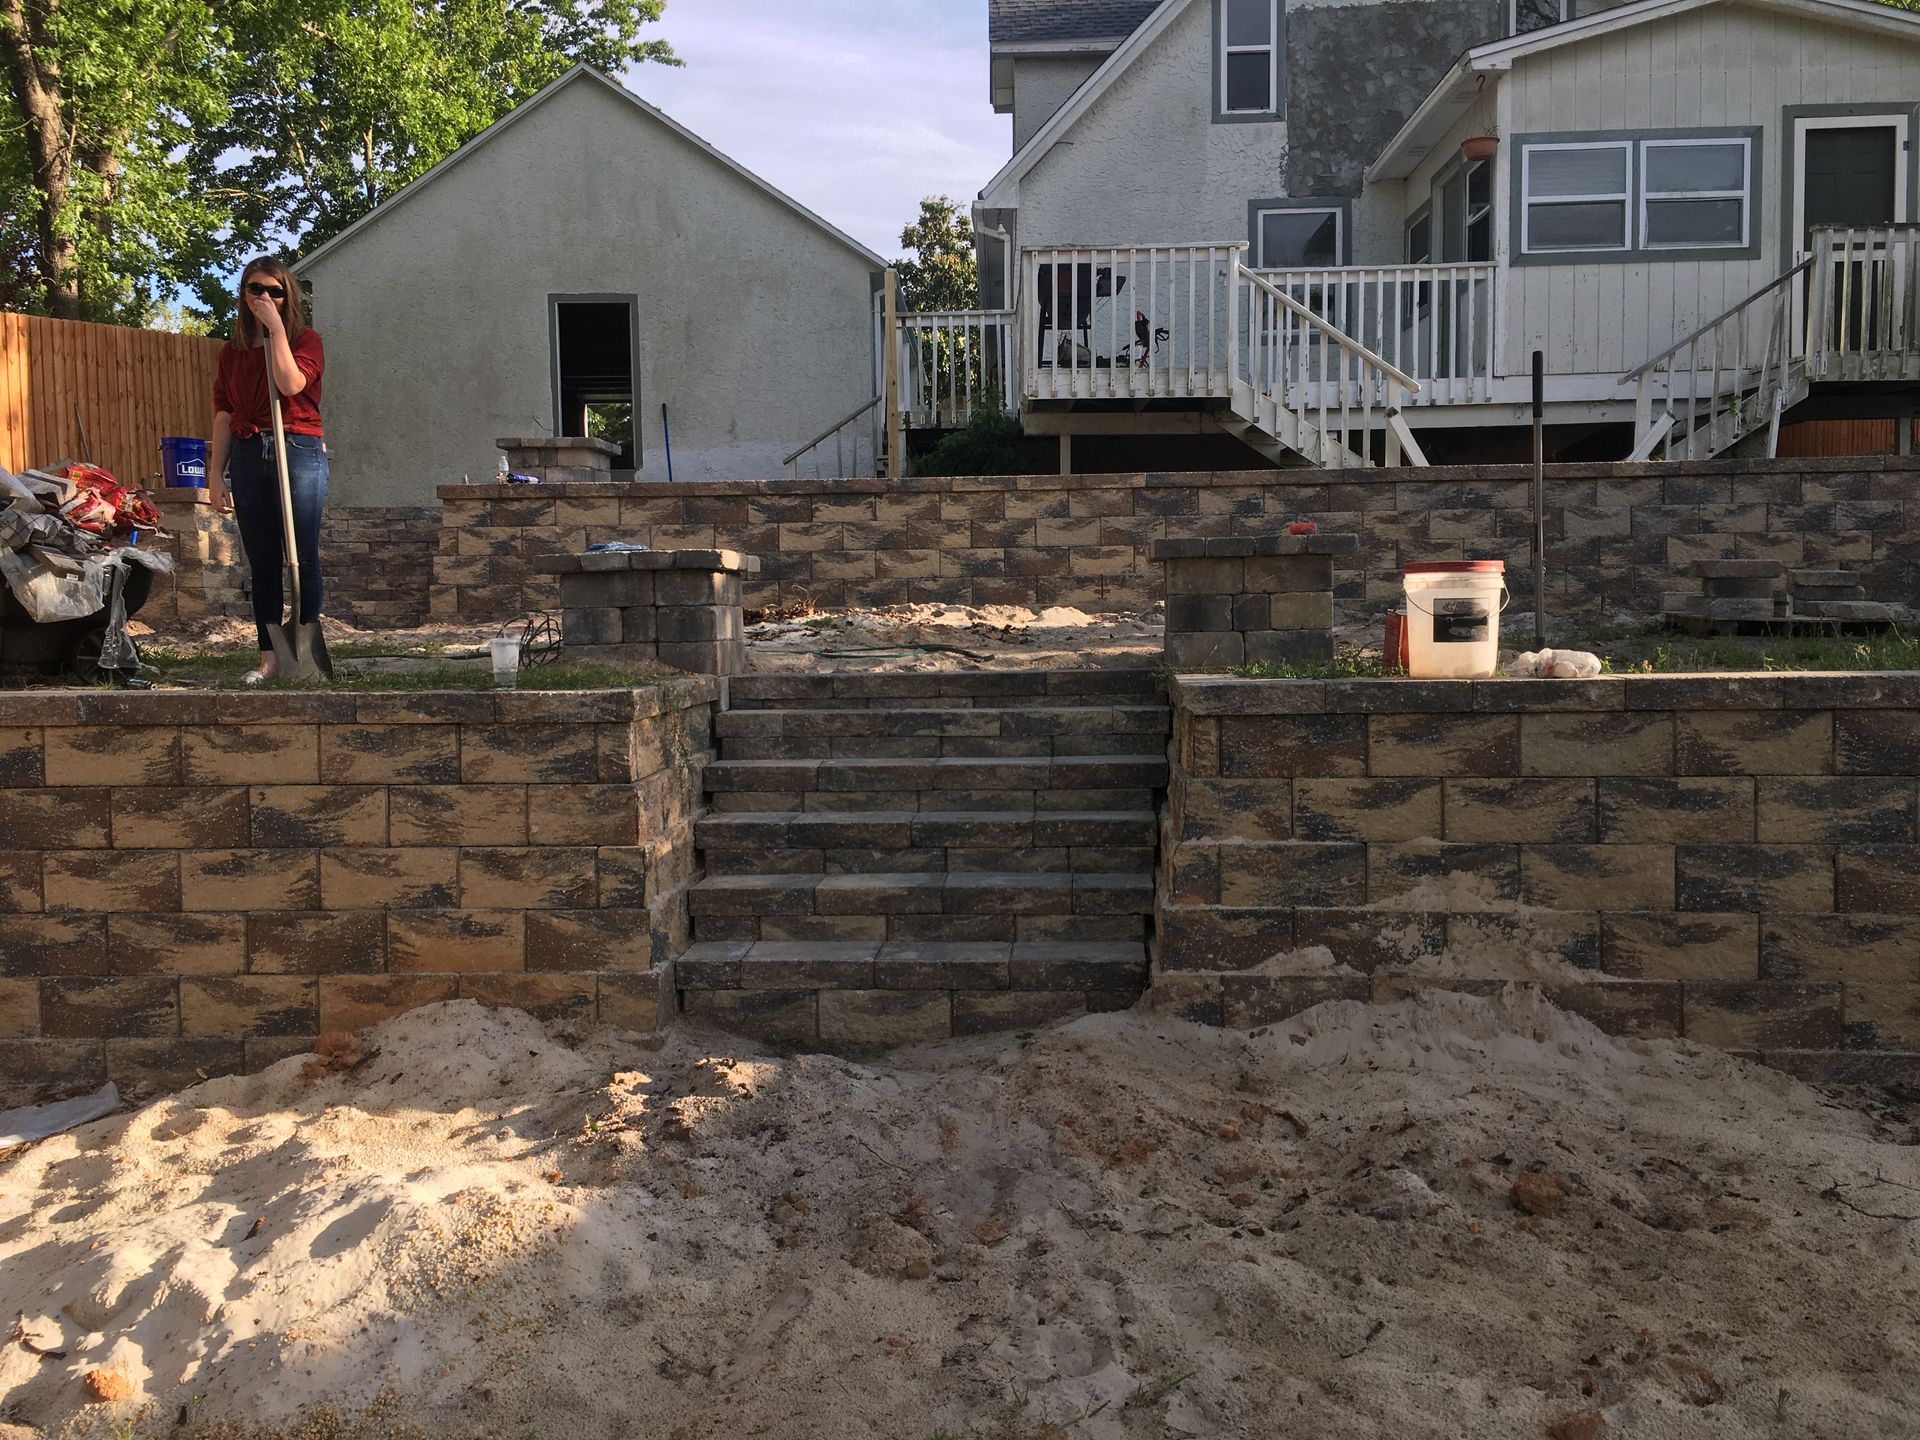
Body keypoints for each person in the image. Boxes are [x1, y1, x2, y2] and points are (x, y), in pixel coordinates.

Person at [208, 257, 327, 684]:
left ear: (287, 296)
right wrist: (214, 475)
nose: (264, 298)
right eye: (256, 289)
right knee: (262, 560)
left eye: (274, 291)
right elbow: (224, 413)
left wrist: (276, 330)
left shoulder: (306, 340)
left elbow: (291, 383)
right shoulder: (232, 352)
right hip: (245, 451)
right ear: (243, 294)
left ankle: (305, 651)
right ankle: (269, 658)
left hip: (296, 447)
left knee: (302, 556)